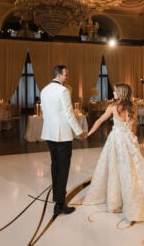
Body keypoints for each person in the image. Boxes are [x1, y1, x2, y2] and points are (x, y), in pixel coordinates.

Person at [83, 83, 144, 223]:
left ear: (120, 93)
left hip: (116, 141)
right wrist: (133, 141)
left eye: (115, 91)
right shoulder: (133, 108)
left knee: (115, 169)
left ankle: (116, 200)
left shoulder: (112, 107)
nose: (113, 93)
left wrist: (88, 133)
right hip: (129, 140)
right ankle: (132, 198)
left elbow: (100, 121)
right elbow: (134, 127)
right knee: (131, 170)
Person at [41, 65, 87, 216]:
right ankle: (60, 204)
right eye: (65, 74)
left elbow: (45, 113)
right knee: (63, 168)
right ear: (59, 75)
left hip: (49, 134)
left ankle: (57, 199)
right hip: (62, 136)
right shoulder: (63, 90)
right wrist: (80, 132)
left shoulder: (44, 90)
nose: (67, 77)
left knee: (55, 166)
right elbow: (68, 114)